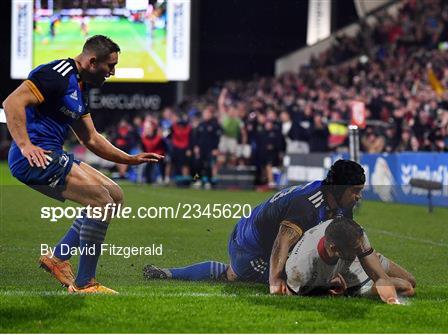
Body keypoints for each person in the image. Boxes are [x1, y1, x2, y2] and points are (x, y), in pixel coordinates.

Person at [2, 35, 163, 294]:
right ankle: (85, 282)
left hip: (52, 154)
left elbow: (91, 138)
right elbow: (12, 103)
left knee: (115, 195)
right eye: (110, 66)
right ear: (91, 61)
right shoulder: (56, 73)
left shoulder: (78, 86)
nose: (113, 72)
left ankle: (58, 258)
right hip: (35, 157)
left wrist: (130, 159)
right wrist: (25, 144)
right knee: (101, 202)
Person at [144, 160, 366, 294]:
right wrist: (276, 280)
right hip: (248, 249)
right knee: (301, 280)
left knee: (231, 274)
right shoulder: (307, 204)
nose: (358, 196)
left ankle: (169, 273)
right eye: (355, 190)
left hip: (250, 238)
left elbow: (347, 243)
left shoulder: (338, 201)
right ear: (340, 188)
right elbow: (283, 240)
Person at [285, 217, 415, 304]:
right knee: (406, 288)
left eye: (359, 247)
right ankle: (357, 289)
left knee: (411, 281)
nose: (358, 250)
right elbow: (294, 296)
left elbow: (380, 277)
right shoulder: (301, 268)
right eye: (355, 249)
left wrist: (391, 300)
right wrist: (327, 288)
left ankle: (368, 261)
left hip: (357, 261)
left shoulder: (353, 233)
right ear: (334, 248)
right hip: (349, 276)